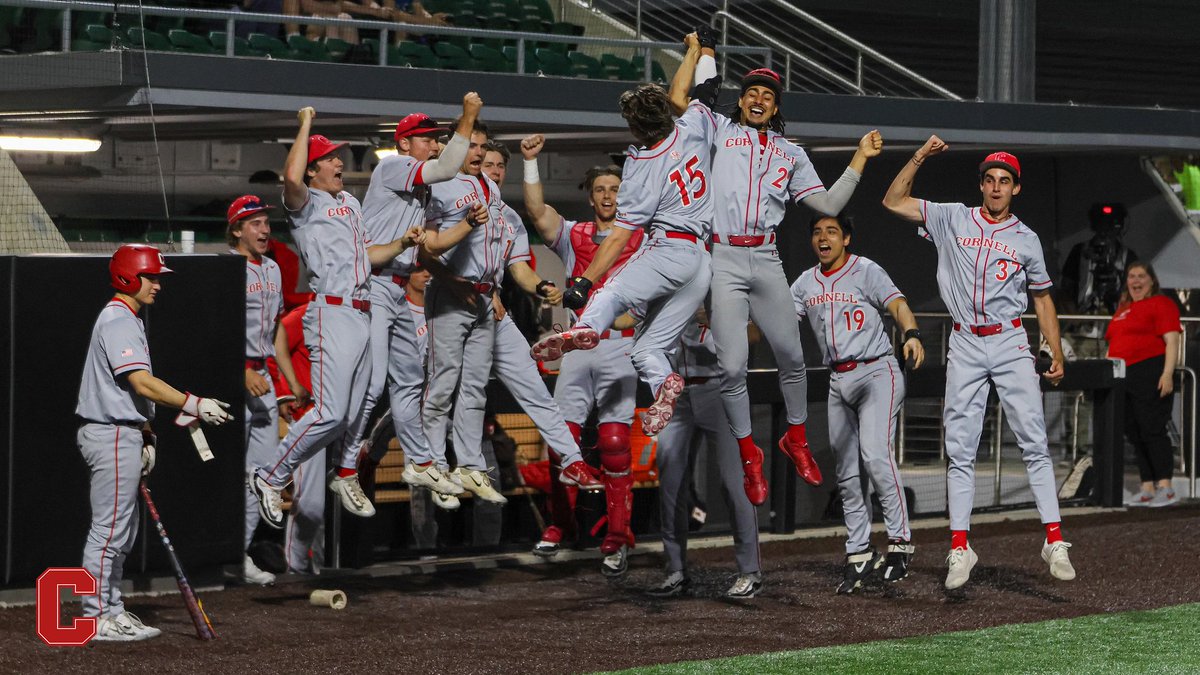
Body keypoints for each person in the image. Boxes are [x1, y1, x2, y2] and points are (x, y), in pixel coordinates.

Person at [667, 28, 883, 506]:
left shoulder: (792, 153)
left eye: (768, 94)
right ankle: (750, 457)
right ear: (740, 102)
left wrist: (860, 159)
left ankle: (797, 438)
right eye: (752, 93)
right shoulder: (719, 131)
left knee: (792, 356)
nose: (760, 99)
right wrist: (698, 56)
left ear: (775, 106)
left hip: (765, 257)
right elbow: (686, 97)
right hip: (722, 255)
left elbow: (826, 203)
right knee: (733, 366)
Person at [883, 136, 1075, 590]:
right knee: (962, 449)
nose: (995, 187)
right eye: (989, 179)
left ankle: (1054, 539)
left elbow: (1043, 299)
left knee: (1033, 440)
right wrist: (920, 157)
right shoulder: (953, 216)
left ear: (1015, 189)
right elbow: (893, 201)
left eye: (1004, 181)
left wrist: (1057, 348)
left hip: (1009, 339)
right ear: (982, 185)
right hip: (966, 341)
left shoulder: (1026, 239)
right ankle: (959, 546)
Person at [529, 38, 717, 449]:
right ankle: (664, 380)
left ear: (634, 127)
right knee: (646, 350)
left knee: (610, 291)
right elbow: (699, 91)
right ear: (666, 111)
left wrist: (583, 283)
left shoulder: (641, 165)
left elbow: (618, 237)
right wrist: (700, 52)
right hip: (702, 262)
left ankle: (582, 330)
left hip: (669, 249)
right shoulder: (696, 124)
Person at [250, 106, 425, 530]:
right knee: (329, 412)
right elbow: (290, 178)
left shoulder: (349, 201)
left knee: (362, 403)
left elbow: (369, 256)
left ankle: (345, 471)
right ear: (312, 170)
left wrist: (402, 241)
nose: (337, 162)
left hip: (364, 309)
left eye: (336, 157)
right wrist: (305, 124)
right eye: (328, 158)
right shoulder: (304, 203)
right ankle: (271, 476)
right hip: (331, 310)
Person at [421, 118, 599, 506]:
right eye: (487, 161)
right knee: (440, 386)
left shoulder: (508, 215)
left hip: (489, 306)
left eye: (500, 164)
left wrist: (543, 287)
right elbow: (426, 250)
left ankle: (570, 459)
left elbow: (518, 268)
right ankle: (433, 465)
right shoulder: (444, 190)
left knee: (530, 387)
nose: (494, 168)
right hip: (451, 299)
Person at [77, 244, 233, 641]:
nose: (158, 284)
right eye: (151, 276)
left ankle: (111, 610)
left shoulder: (128, 318)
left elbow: (135, 391)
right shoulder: (118, 320)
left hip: (122, 431)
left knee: (121, 532)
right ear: (129, 276)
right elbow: (142, 383)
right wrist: (194, 402)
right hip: (109, 431)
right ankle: (96, 618)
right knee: (109, 531)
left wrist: (146, 432)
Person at [343, 94, 484, 503]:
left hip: (398, 285)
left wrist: (468, 228)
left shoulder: (419, 184)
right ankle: (347, 466)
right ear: (404, 143)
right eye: (424, 138)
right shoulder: (392, 166)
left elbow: (432, 245)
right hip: (371, 283)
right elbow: (445, 167)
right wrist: (469, 116)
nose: (433, 144)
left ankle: (420, 462)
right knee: (371, 386)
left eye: (435, 138)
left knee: (409, 382)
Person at [521, 135, 644, 575]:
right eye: (601, 190)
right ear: (591, 196)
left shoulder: (643, 238)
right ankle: (560, 525)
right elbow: (537, 211)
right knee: (561, 444)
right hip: (577, 347)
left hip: (618, 347)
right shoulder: (574, 235)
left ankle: (616, 538)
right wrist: (531, 163)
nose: (608, 196)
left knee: (613, 446)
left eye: (614, 189)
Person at [790, 215, 924, 594]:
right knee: (847, 473)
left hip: (877, 371)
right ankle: (859, 551)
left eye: (831, 231)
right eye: (816, 231)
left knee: (875, 455)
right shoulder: (804, 283)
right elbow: (779, 323)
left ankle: (899, 543)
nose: (823, 237)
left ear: (846, 238)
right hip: (837, 379)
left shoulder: (865, 270)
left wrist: (911, 333)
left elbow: (897, 304)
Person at [647, 309, 763, 598]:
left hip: (719, 389)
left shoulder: (724, 283)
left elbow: (754, 335)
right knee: (670, 483)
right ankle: (675, 570)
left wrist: (715, 318)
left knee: (734, 483)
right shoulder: (666, 285)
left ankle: (750, 572)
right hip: (675, 395)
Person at [227, 195, 308, 585]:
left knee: (257, 476)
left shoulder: (274, 269)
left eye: (265, 222)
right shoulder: (227, 267)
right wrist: (241, 370)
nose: (264, 229)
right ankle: (212, 555)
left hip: (263, 379)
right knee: (224, 474)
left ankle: (238, 556)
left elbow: (277, 328)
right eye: (254, 223)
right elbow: (215, 327)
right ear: (237, 229)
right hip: (229, 378)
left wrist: (289, 380)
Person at [1105, 262, 1183, 507]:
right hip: (1123, 375)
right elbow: (1113, 342)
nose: (1135, 281)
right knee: (1135, 432)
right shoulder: (1123, 309)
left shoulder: (1162, 304)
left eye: (1141, 276)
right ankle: (1147, 486)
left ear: (1151, 280)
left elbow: (1172, 340)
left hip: (1150, 371)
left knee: (1152, 429)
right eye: (1131, 276)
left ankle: (1166, 487)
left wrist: (1167, 373)